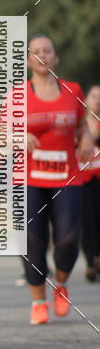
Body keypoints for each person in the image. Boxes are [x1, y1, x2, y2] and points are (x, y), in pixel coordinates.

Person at [25, 35, 94, 325]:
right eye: (36, 52)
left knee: (68, 239)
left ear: (56, 57)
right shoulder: (17, 95)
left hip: (66, 176)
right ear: (28, 60)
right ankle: (39, 301)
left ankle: (61, 285)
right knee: (32, 241)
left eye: (47, 51)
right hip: (29, 178)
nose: (42, 55)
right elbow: (0, 135)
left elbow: (81, 123)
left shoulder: (73, 89)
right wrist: (18, 135)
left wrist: (87, 139)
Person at [80, 85, 100, 281]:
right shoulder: (78, 124)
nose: (97, 101)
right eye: (94, 96)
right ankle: (90, 262)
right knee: (88, 222)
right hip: (82, 178)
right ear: (86, 99)